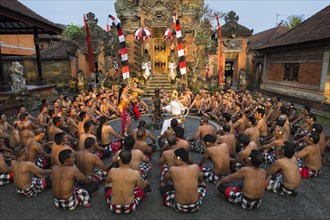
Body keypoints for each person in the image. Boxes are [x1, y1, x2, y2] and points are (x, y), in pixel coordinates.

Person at [160, 148, 206, 213]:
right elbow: (201, 181)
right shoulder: (195, 167)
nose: (173, 160)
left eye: (174, 158)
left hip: (180, 206)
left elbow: (164, 181)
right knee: (203, 184)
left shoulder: (172, 169)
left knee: (162, 185)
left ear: (179, 159)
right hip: (196, 205)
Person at [105, 149, 150, 214]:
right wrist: (146, 182)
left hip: (114, 207)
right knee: (145, 185)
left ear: (119, 159)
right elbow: (141, 187)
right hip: (129, 207)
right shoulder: (136, 173)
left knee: (107, 184)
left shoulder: (112, 171)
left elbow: (107, 181)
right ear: (130, 160)